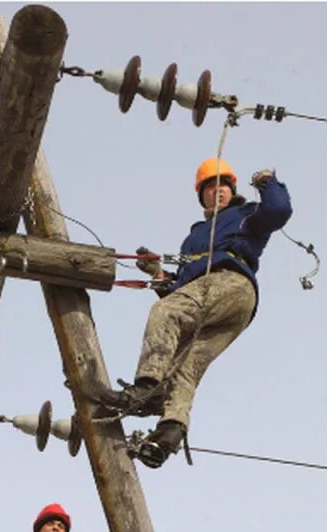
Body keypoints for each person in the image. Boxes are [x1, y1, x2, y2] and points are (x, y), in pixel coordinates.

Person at [98, 157, 293, 467]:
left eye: (223, 187)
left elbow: (279, 211)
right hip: (231, 307)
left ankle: (145, 388)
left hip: (230, 283)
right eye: (210, 189)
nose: (217, 193)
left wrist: (268, 182)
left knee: (164, 312)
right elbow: (181, 291)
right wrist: (158, 273)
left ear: (233, 190)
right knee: (185, 368)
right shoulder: (195, 237)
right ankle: (169, 432)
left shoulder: (245, 215)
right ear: (201, 196)